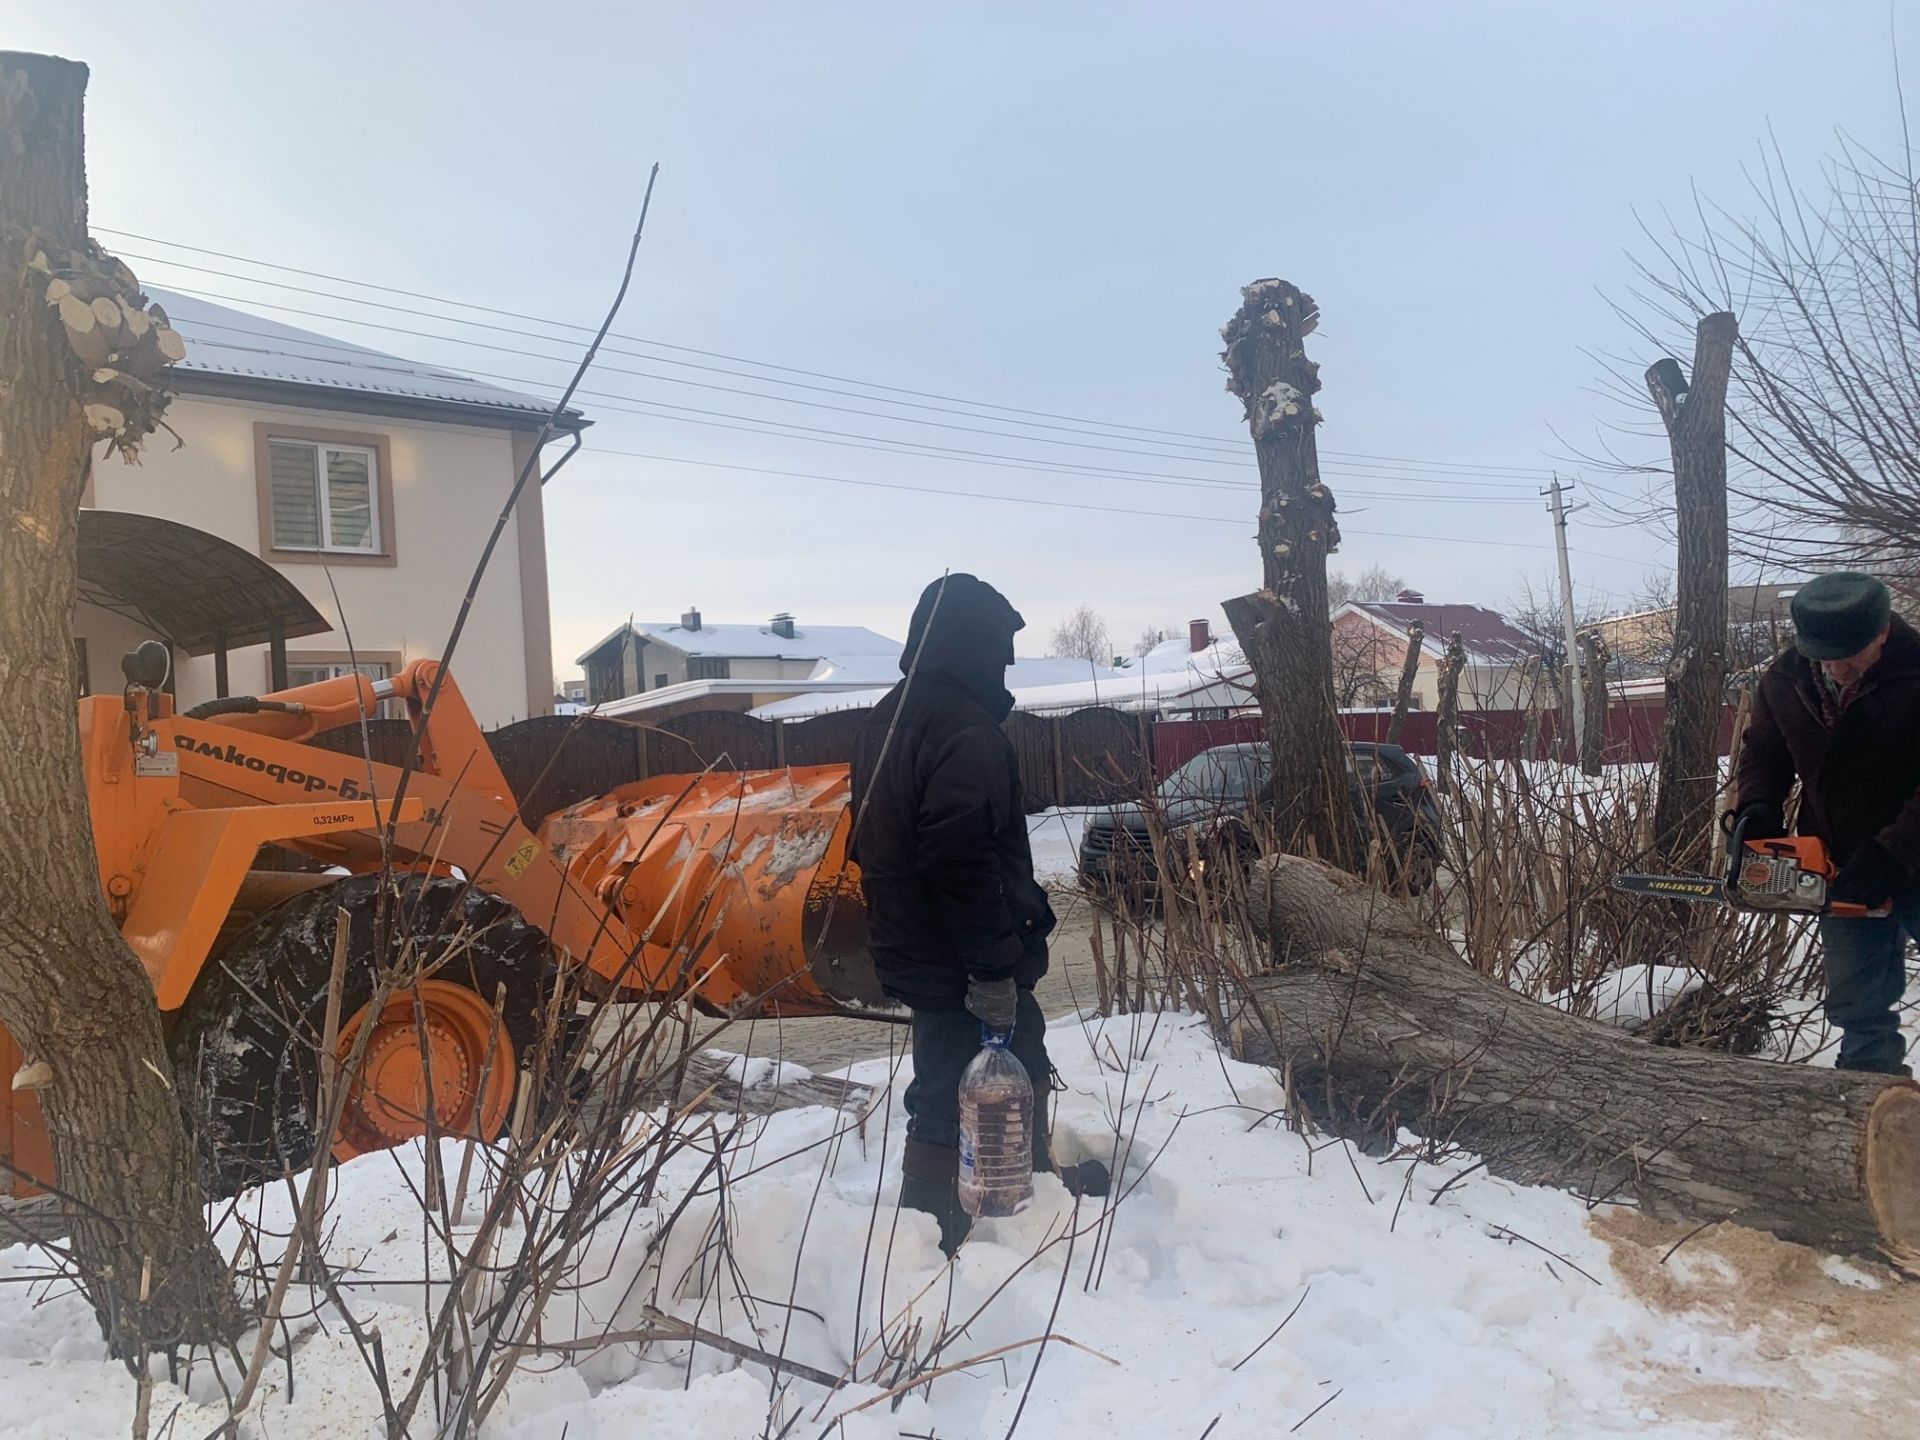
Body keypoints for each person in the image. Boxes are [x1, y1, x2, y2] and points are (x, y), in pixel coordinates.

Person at [850, 573, 1108, 1252]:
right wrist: (993, 966)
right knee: (949, 1089)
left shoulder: (891, 715)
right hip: (959, 956)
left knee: (1005, 1061)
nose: (1005, 672)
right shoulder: (964, 730)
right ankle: (931, 1235)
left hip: (918, 945)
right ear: (970, 648)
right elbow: (961, 860)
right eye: (998, 656)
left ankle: (1022, 1191)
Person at [1732, 572, 1920, 1075]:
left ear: (1882, 632)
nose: (1837, 668)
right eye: (1825, 655)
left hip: (1910, 850)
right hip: (1841, 862)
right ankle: (1868, 1107)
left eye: (1851, 655)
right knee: (1858, 1003)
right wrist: (1758, 806)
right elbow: (1765, 754)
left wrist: (1894, 852)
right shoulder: (1784, 681)